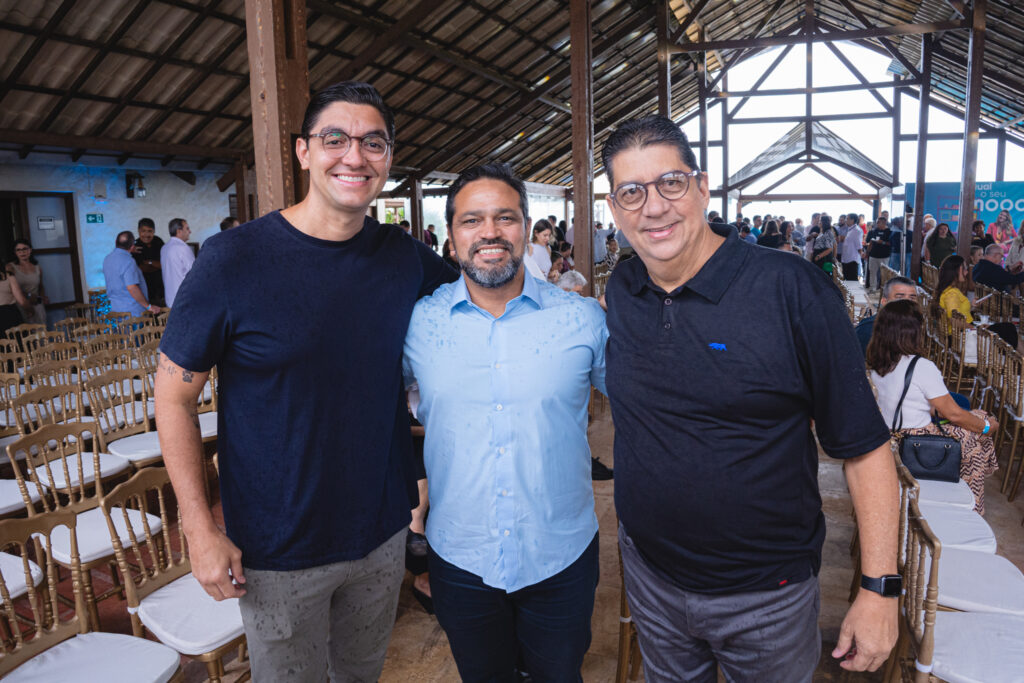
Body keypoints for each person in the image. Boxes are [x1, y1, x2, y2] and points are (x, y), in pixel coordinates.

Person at [155, 81, 456, 683]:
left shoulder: (404, 258)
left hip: (381, 531)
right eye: (335, 138)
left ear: (389, 158)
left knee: (360, 675)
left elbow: (480, 297)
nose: (354, 155)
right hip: (277, 545)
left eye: (374, 142)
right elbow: (174, 396)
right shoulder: (233, 259)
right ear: (302, 152)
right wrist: (199, 527)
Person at [601, 115, 898, 681]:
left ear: (703, 187)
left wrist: (879, 588)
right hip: (652, 578)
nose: (654, 207)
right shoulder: (625, 288)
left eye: (671, 183)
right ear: (615, 209)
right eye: (632, 192)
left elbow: (863, 446)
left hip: (768, 597)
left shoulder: (791, 289)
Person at [402, 162, 607, 683]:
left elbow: (650, 406)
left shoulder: (581, 319)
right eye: (472, 221)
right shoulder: (417, 325)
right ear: (450, 240)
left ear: (527, 229)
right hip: (461, 556)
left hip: (560, 554)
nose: (489, 232)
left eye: (504, 218)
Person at [866, 300, 998, 513]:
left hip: (887, 437)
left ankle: (973, 481)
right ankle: (971, 507)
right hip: (916, 442)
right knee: (973, 438)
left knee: (976, 416)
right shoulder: (921, 367)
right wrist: (985, 427)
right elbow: (953, 414)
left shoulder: (877, 363)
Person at [934, 254, 1018, 348]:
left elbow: (958, 313)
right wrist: (975, 328)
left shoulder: (949, 290)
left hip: (961, 333)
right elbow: (954, 321)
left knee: (1007, 328)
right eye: (964, 269)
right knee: (1008, 329)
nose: (966, 272)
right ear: (956, 271)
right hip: (961, 336)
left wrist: (972, 306)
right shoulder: (951, 294)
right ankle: (1018, 359)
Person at [855, 275, 917, 355]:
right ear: (884, 302)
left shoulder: (915, 327)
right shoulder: (869, 330)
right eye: (899, 298)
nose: (907, 303)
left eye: (912, 298)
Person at [103, 231, 161, 316]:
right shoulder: (129, 261)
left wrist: (129, 250)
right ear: (132, 246)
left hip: (116, 309)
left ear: (115, 242)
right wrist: (148, 307)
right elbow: (132, 287)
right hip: (132, 312)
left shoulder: (107, 259)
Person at [8, 239, 48, 324]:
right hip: (21, 305)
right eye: (18, 250)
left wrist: (43, 298)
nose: (22, 252)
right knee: (26, 334)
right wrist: (29, 296)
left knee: (41, 333)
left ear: (30, 250)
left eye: (25, 249)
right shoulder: (10, 267)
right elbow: (11, 289)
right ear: (15, 252)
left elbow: (40, 286)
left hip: (37, 305)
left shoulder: (37, 267)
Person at [160, 218, 196, 308]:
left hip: (170, 299)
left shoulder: (164, 248)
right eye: (187, 229)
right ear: (179, 231)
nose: (190, 231)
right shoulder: (182, 248)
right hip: (184, 299)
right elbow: (194, 273)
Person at [134, 217, 165, 306]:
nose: (146, 234)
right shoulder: (135, 245)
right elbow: (141, 268)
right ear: (138, 231)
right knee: (148, 318)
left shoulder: (158, 241)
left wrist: (149, 262)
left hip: (160, 290)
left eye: (150, 231)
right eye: (143, 231)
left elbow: (164, 265)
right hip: (144, 292)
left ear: (154, 231)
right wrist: (155, 264)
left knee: (163, 317)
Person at [0, 261, 29, 337]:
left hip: (9, 314)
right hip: (9, 314)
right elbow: (22, 301)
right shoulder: (9, 276)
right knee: (17, 345)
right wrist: (30, 309)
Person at [865, 216, 892, 292]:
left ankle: (884, 290)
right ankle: (872, 288)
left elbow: (891, 244)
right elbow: (871, 242)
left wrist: (882, 242)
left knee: (884, 274)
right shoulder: (874, 231)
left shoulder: (889, 232)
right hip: (873, 255)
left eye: (878, 222)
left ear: (883, 223)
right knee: (872, 272)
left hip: (884, 256)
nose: (876, 224)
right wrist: (867, 253)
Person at [841, 212, 863, 281]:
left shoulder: (857, 230)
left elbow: (858, 245)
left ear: (852, 220)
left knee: (852, 281)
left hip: (852, 260)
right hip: (846, 259)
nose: (845, 220)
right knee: (847, 280)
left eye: (847, 219)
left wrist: (862, 254)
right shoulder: (850, 229)